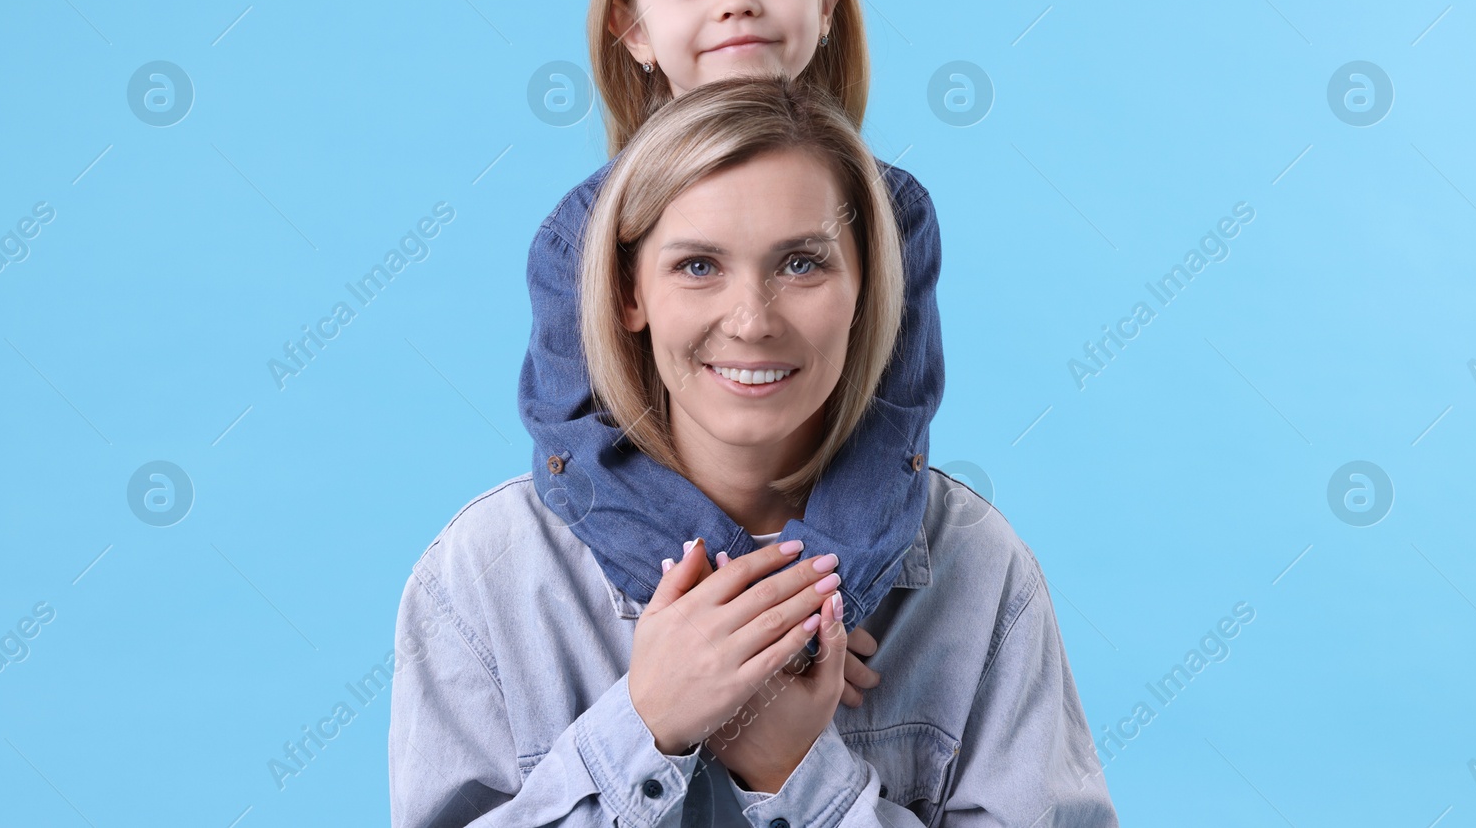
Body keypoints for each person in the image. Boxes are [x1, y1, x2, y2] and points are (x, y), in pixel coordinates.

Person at [389, 75, 1119, 826]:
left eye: (801, 262)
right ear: (629, 292)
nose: (751, 321)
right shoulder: (484, 576)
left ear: (868, 288)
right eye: (698, 265)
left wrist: (795, 774)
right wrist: (644, 727)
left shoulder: (980, 569)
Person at [518, 0, 943, 646]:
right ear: (631, 28)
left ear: (827, 1)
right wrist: (749, 625)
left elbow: (891, 430)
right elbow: (580, 449)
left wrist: (814, 611)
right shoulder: (579, 237)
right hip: (669, 599)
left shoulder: (892, 212)